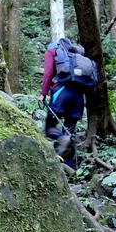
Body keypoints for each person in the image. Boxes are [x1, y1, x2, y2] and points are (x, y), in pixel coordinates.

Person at [39, 37, 86, 168]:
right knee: (69, 133)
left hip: (61, 93)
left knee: (50, 128)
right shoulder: (75, 56)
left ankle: (63, 140)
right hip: (78, 96)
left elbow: (48, 73)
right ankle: (69, 167)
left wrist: (43, 93)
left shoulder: (51, 51)